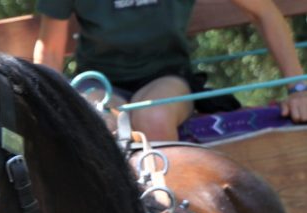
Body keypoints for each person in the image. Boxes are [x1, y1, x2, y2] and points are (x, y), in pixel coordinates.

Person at [33, 0, 307, 140]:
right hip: (99, 84)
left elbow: (264, 12)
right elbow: (51, 50)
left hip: (167, 77)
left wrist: (299, 88)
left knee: (153, 117)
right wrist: (44, 114)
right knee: (99, 124)